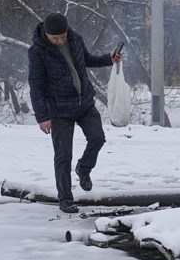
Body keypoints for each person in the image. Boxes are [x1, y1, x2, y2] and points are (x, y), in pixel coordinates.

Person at [27, 12, 122, 213]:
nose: (60, 40)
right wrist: (42, 116)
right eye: (56, 38)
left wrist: (108, 58)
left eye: (63, 36)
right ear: (46, 34)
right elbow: (36, 85)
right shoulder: (37, 51)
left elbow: (85, 59)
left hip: (84, 103)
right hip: (59, 109)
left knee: (97, 139)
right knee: (63, 155)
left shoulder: (75, 37)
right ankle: (65, 199)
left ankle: (84, 169)